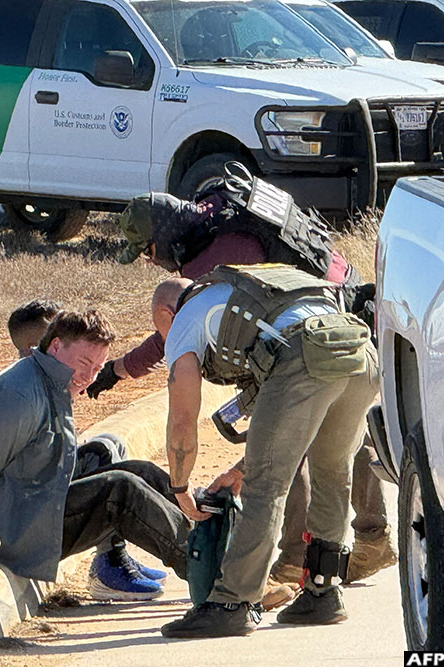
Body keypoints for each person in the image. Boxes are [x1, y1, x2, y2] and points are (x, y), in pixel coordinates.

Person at [93, 183, 395, 587]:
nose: (151, 261)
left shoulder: (216, 259)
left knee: (297, 442)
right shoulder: (221, 218)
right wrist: (119, 369)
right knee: (331, 433)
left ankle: (294, 562)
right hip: (340, 315)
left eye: (147, 250)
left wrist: (122, 369)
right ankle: (345, 551)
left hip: (321, 333)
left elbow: (178, 328)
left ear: (161, 235)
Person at [153, 267, 378, 638]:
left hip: (306, 354)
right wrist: (242, 466)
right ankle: (323, 592)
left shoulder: (182, 322)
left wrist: (179, 486)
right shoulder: (245, 290)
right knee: (334, 472)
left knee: (264, 487)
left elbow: (181, 422)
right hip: (358, 353)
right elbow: (289, 431)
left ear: (165, 313)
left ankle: (232, 603)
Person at [0, 309, 193, 592]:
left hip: (24, 502)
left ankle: (207, 542)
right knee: (120, 490)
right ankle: (208, 573)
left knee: (128, 466)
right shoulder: (17, 397)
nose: (89, 377)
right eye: (84, 362)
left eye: (98, 368)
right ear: (56, 345)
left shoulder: (48, 378)